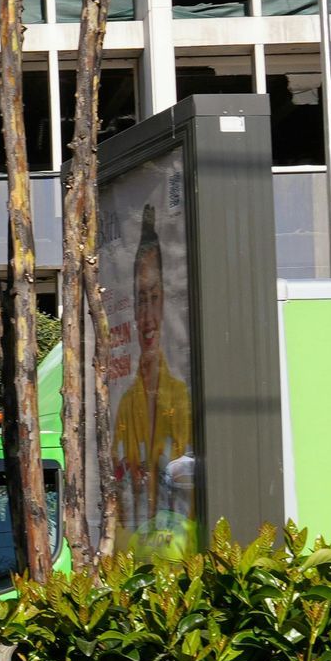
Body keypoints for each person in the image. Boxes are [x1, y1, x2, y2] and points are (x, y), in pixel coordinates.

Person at [111, 204, 193, 547]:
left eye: (154, 297)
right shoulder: (127, 404)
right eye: (141, 299)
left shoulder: (181, 397)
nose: (147, 316)